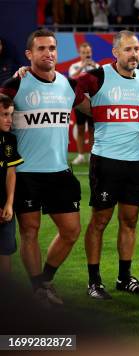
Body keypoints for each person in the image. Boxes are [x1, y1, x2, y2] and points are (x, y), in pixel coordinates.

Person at [0, 29, 88, 305]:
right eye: (41, 48)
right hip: (25, 174)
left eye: (52, 48)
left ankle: (45, 278)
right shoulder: (15, 85)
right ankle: (39, 287)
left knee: (71, 230)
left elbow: (94, 107)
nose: (48, 53)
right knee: (30, 231)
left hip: (59, 172)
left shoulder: (67, 85)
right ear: (29, 54)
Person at [77, 30, 139, 300]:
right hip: (106, 161)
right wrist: (92, 111)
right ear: (115, 52)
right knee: (100, 220)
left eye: (136, 48)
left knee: (130, 221)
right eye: (128, 49)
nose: (134, 54)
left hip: (136, 162)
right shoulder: (99, 76)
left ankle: (124, 278)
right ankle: (94, 281)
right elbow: (69, 88)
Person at [0, 94, 23, 280]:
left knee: (5, 251)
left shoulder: (10, 140)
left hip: (5, 209)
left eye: (11, 115)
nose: (9, 120)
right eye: (4, 115)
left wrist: (9, 203)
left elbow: (11, 172)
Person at [69, 42, 99, 165]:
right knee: (80, 129)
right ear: (80, 54)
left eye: (88, 52)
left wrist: (94, 69)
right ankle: (81, 155)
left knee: (92, 130)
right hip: (80, 102)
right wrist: (83, 67)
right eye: (84, 52)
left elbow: (100, 82)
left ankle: (93, 155)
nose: (86, 55)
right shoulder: (74, 66)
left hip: (93, 102)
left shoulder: (97, 66)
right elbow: (72, 79)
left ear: (91, 53)